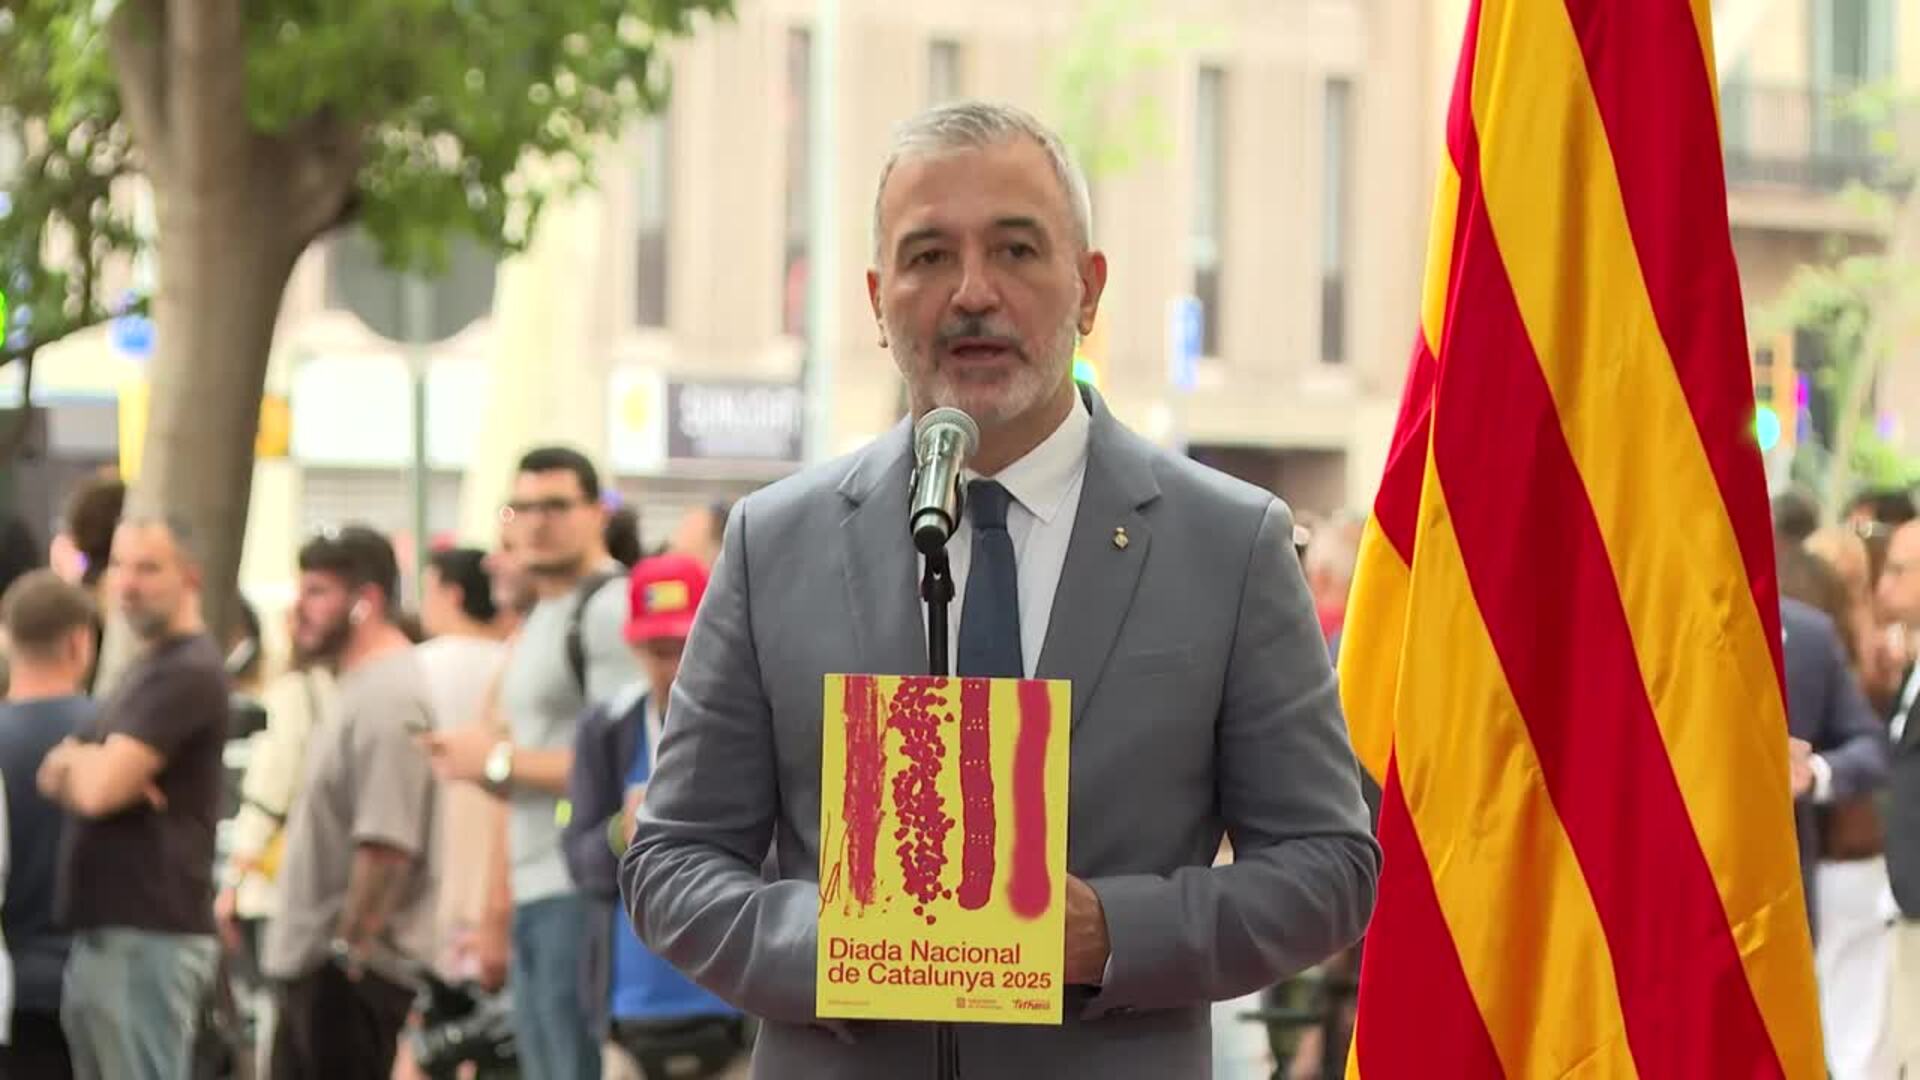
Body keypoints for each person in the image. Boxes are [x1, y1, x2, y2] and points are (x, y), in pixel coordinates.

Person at [622, 101, 1379, 1078]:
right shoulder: (776, 542)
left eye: (1017, 251)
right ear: (877, 299)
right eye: (929, 256)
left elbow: (1327, 868)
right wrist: (838, 947)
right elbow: (673, 863)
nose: (973, 292)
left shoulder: (1228, 543)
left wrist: (1109, 933)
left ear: (1089, 287)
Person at [422, 447, 641, 1080]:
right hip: (538, 889)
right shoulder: (547, 613)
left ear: (597, 513)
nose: (538, 523)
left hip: (584, 889)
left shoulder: (608, 608)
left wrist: (494, 760)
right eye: (523, 508)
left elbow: (625, 769)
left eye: (556, 506)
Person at [37, 515, 227, 1080]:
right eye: (119, 566)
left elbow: (98, 790)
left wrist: (88, 766)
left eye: (148, 568)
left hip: (149, 940)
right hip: (112, 939)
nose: (127, 583)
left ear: (190, 577)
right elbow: (53, 769)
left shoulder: (186, 671)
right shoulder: (144, 668)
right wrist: (85, 763)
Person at [261, 527, 438, 1080]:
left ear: (367, 601)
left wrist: (348, 952)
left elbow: (387, 842)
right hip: (323, 974)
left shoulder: (388, 697)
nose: (299, 608)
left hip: (346, 982)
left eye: (317, 592)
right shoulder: (358, 688)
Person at [565, 554, 747, 1080]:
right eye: (658, 651)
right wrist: (619, 834)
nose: (673, 667)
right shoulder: (609, 729)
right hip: (633, 1008)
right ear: (635, 648)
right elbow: (579, 861)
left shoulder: (745, 726)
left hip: (731, 1001)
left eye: (683, 647)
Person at [0, 571, 97, 1080]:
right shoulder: (114, 735)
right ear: (79, 642)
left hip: (13, 991)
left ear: (7, 640)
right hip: (94, 983)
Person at [413, 547, 512, 985]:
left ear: (452, 595)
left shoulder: (416, 667)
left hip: (436, 863)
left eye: (428, 591)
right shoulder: (510, 662)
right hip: (499, 865)